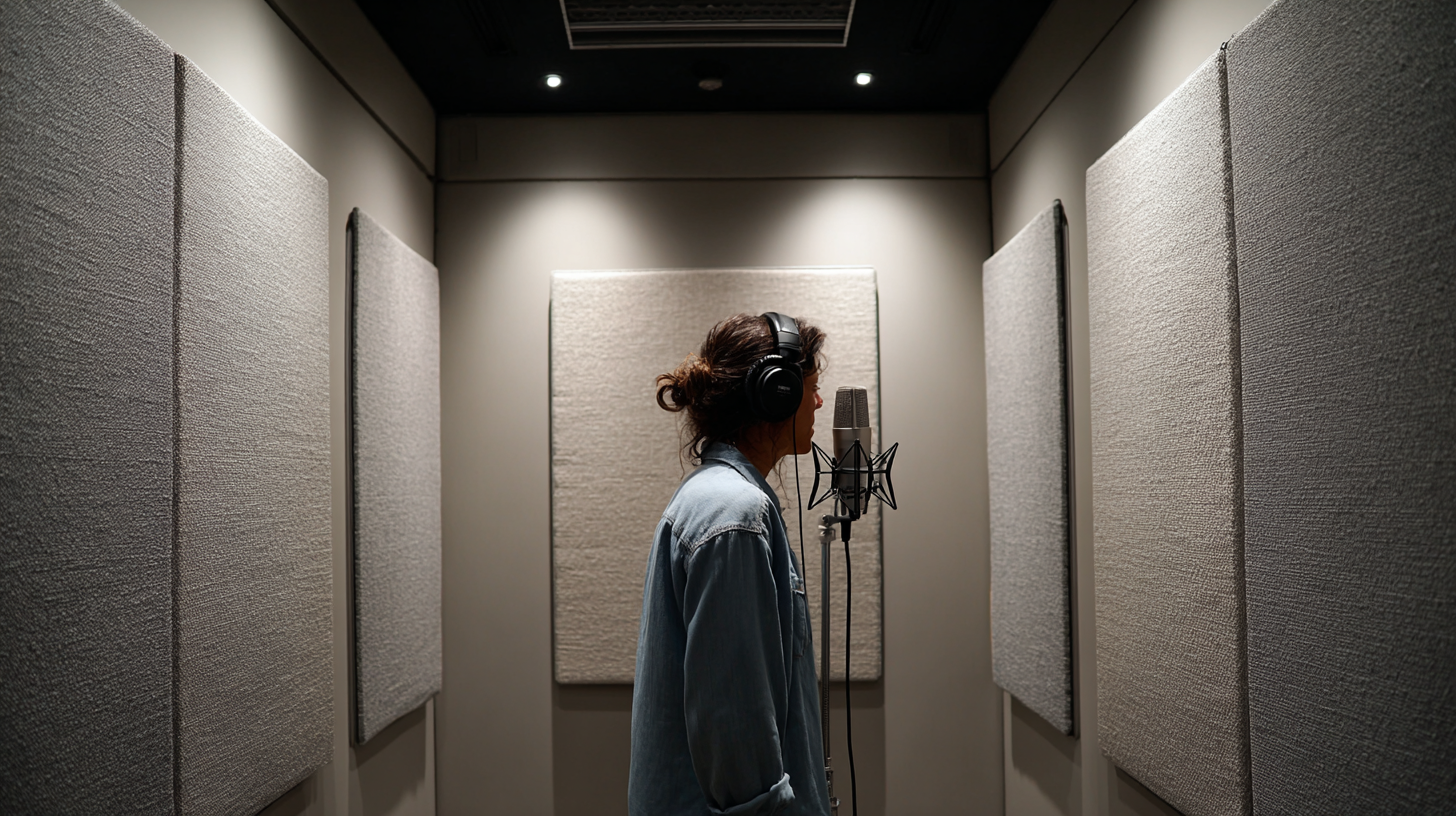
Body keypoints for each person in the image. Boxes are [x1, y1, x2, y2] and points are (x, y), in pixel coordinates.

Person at [628, 313, 831, 816]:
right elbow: (735, 730)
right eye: (811, 387)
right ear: (777, 394)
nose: (821, 402)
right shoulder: (735, 516)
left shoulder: (716, 499)